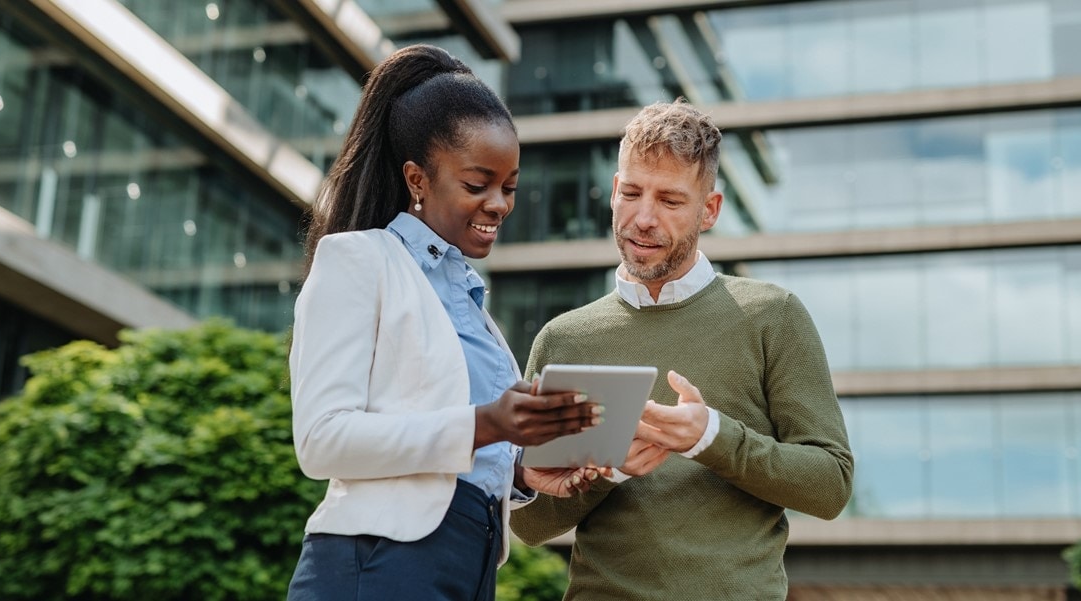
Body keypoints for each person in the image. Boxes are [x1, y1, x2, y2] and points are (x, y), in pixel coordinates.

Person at [287, 44, 605, 601]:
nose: (499, 204)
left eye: (508, 186)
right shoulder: (359, 261)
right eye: (477, 183)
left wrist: (524, 473)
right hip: (379, 565)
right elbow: (320, 440)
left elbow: (459, 457)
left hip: (468, 566)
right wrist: (488, 423)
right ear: (418, 178)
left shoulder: (474, 309)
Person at [510, 99, 854, 600]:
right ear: (613, 192)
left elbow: (830, 486)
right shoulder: (562, 339)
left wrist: (711, 437)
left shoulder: (771, 316)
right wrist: (608, 469)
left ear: (709, 210)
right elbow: (532, 524)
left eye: (670, 201)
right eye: (631, 193)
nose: (644, 218)